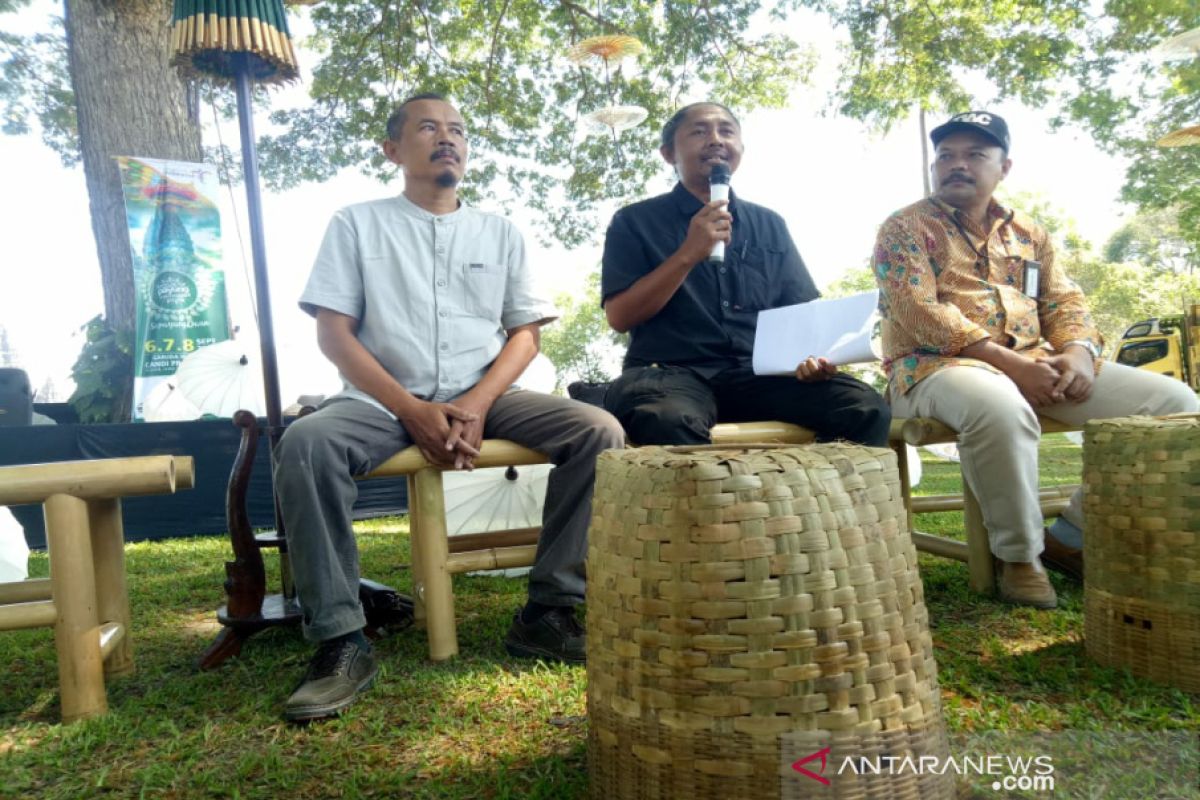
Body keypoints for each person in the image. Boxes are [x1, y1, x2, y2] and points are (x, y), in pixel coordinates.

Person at [274, 93, 624, 722]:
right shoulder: (356, 223)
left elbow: (525, 334)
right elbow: (334, 334)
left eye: (458, 129)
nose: (447, 138)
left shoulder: (501, 231)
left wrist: (475, 402)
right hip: (379, 401)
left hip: (488, 392)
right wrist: (411, 408)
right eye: (428, 127)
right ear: (392, 149)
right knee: (306, 444)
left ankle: (549, 611)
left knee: (599, 430)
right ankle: (340, 639)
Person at [873, 110, 1199, 609]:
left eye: (975, 155)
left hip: (1038, 363)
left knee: (1176, 403)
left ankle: (1071, 533)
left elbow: (1064, 300)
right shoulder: (903, 227)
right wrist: (1012, 366)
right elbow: (918, 313)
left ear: (1004, 167)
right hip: (933, 370)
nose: (956, 164)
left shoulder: (1029, 234)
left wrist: (1078, 354)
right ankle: (1020, 559)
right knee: (999, 406)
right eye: (946, 156)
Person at [600, 102, 891, 448]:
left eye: (726, 130)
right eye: (698, 131)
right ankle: (715, 503)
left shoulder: (769, 224)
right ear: (668, 154)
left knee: (864, 407)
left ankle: (815, 501)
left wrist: (816, 358)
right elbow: (620, 317)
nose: (715, 139)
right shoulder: (634, 221)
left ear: (741, 149)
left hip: (761, 376)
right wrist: (688, 254)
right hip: (668, 373)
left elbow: (800, 314)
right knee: (667, 419)